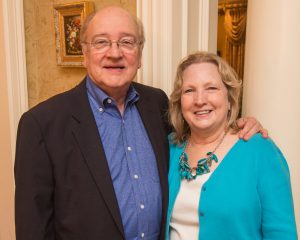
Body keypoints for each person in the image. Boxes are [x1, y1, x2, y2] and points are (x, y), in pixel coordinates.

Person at [14, 6, 266, 240]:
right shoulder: (42, 124)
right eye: (101, 42)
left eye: (127, 42)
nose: (115, 53)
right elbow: (33, 226)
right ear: (84, 53)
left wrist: (239, 124)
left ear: (140, 54)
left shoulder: (156, 103)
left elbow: (201, 136)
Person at [166, 52, 297, 240]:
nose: (200, 100)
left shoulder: (260, 151)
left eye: (211, 88)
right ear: (180, 102)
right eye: (189, 90)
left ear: (229, 99)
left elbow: (282, 233)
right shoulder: (168, 148)